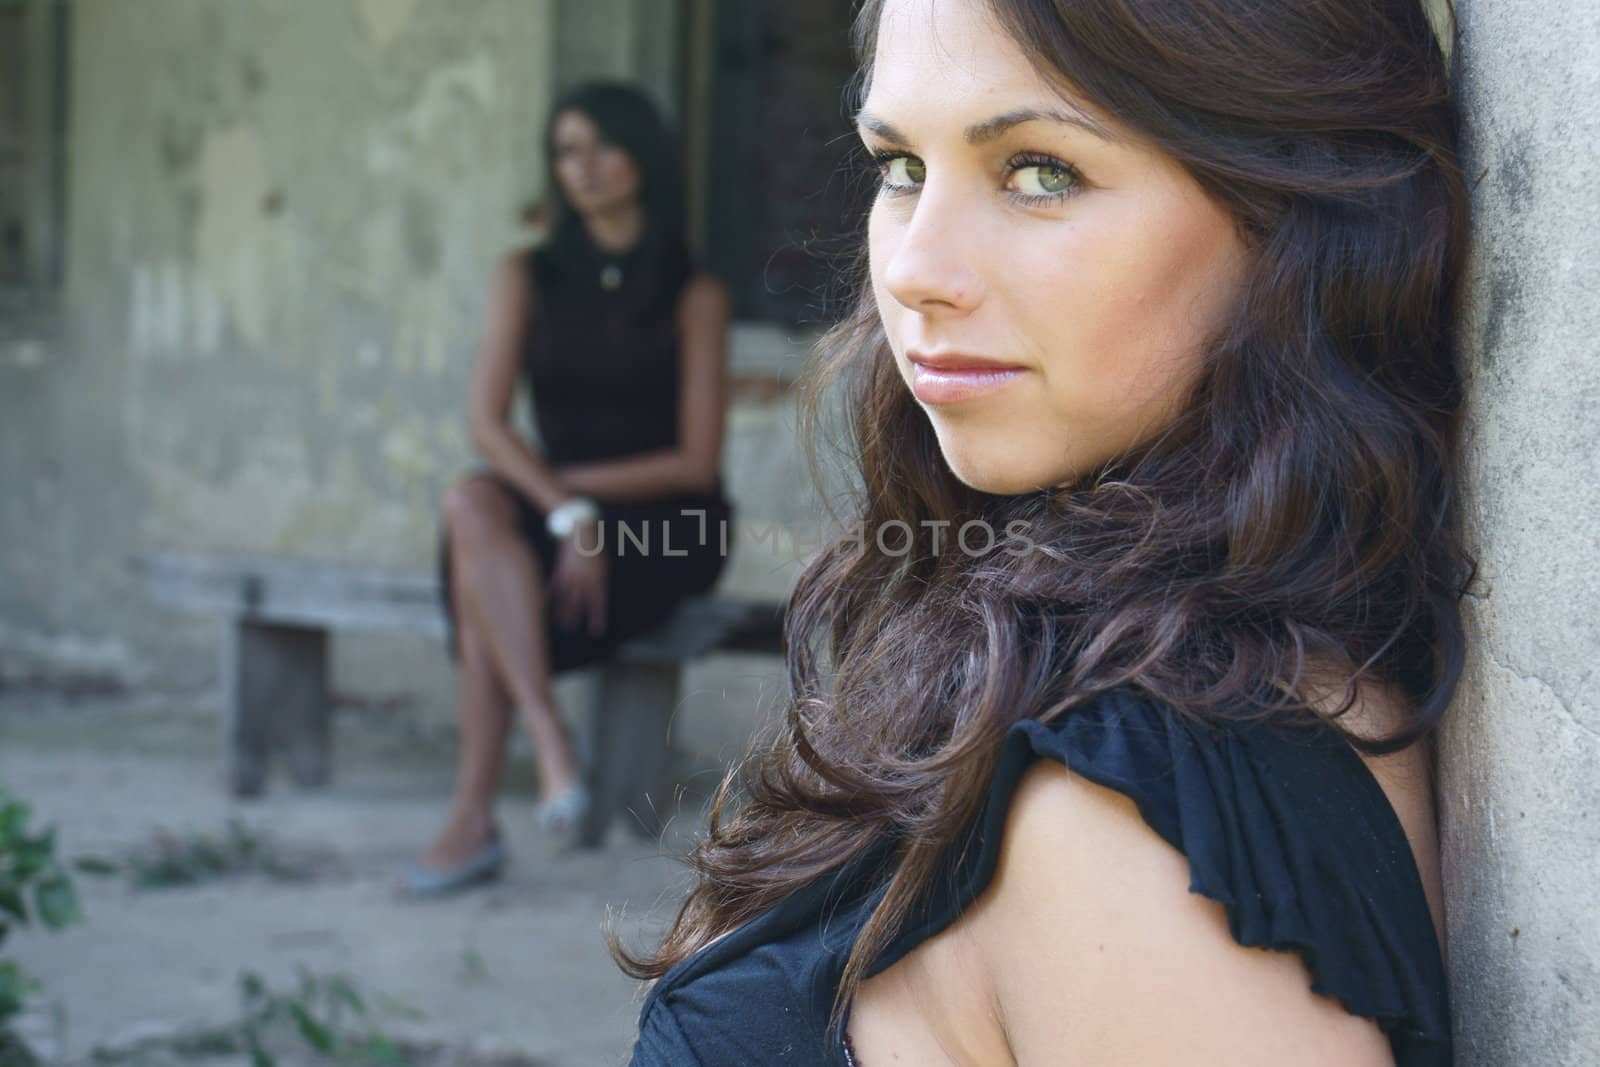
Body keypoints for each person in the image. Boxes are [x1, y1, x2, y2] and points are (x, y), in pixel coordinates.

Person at [620, 0, 1466, 1064]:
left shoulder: (1132, 826)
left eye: (1040, 171)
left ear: (1290, 209)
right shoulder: (1154, 652)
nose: (914, 269)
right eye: (899, 167)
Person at [401, 82, 734, 896]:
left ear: (640, 157)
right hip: (557, 508)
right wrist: (564, 513)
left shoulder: (694, 293)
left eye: (599, 146)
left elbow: (694, 460)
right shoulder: (527, 275)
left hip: (667, 522)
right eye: (564, 151)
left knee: (485, 570)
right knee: (472, 504)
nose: (580, 167)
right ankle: (550, 737)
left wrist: (568, 503)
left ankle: (472, 818)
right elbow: (487, 423)